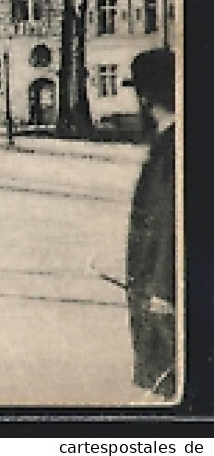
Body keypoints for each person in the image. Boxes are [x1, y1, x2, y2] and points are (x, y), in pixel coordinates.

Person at [125, 47, 177, 399]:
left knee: (170, 382)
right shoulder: (172, 143)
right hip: (160, 288)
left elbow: (170, 221)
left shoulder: (172, 148)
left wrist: (161, 289)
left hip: (164, 294)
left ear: (146, 99)